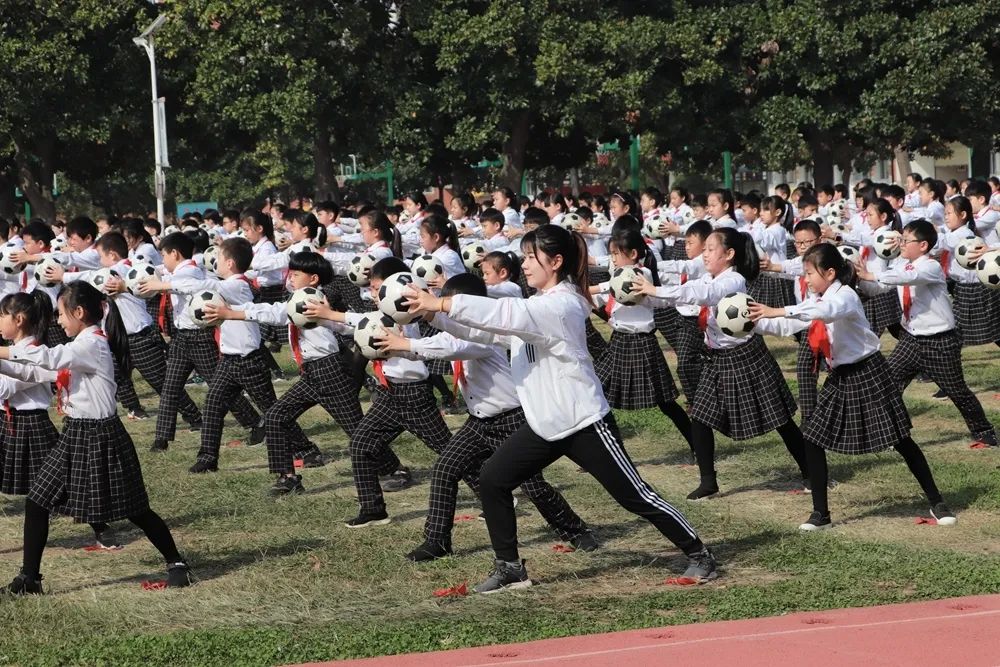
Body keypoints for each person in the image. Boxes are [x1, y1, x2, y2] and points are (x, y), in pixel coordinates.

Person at [404, 224, 717, 594]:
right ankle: (510, 568)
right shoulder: (539, 304)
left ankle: (700, 554)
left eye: (530, 258)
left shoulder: (562, 303)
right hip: (544, 423)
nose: (524, 265)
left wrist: (439, 302)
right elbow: (490, 332)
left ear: (555, 261)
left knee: (634, 496)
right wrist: (431, 316)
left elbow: (504, 314)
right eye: (523, 257)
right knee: (492, 479)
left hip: (582, 421)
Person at [377, 273, 597, 562]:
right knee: (445, 469)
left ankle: (575, 530)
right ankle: (437, 542)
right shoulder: (460, 331)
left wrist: (406, 346)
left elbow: (451, 347)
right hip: (479, 422)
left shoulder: (485, 336)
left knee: (532, 484)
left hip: (511, 419)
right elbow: (447, 339)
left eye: (450, 304)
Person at [0, 282, 191, 594]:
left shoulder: (90, 345)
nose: (58, 321)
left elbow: (47, 358)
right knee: (37, 500)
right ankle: (29, 579)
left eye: (61, 314)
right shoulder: (81, 346)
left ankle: (176, 563)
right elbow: (37, 372)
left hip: (102, 435)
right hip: (75, 433)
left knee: (134, 508)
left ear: (78, 312)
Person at [750, 244, 957, 529]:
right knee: (812, 437)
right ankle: (820, 514)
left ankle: (937, 501)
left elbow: (825, 312)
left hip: (869, 371)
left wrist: (777, 309)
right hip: (841, 376)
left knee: (900, 439)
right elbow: (790, 326)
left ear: (830, 272)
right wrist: (752, 324)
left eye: (810, 273)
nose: (806, 279)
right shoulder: (818, 298)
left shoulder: (843, 296)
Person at [634, 228, 810, 500]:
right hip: (716, 358)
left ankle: (810, 471)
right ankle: (708, 482)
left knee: (780, 419)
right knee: (701, 417)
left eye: (710, 249)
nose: (704, 254)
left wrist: (654, 288)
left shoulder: (733, 280)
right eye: (703, 249)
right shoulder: (709, 277)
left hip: (747, 357)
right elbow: (685, 293)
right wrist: (646, 295)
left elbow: (703, 293)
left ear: (729, 254)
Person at [312, 257, 455, 527]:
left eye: (378, 289)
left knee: (449, 452)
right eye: (373, 289)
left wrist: (331, 315)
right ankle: (373, 509)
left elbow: (364, 319)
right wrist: (328, 316)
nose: (372, 294)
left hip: (415, 396)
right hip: (389, 395)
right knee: (361, 444)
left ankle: (493, 494)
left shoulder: (408, 311)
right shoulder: (380, 315)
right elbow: (358, 320)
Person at [207, 251, 361, 493]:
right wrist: (232, 313)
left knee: (357, 429)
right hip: (312, 372)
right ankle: (287, 478)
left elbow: (275, 313)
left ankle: (393, 469)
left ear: (313, 279)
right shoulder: (300, 297)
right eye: (290, 273)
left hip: (329, 370)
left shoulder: (308, 300)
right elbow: (274, 310)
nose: (290, 278)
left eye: (296, 274)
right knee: (277, 416)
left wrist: (232, 313)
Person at [858, 220, 997, 448]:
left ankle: (984, 431)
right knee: (888, 383)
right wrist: (860, 280)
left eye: (905, 240)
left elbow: (907, 277)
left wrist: (871, 275)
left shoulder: (929, 267)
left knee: (957, 391)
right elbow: (880, 287)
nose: (900, 243)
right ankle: (891, 435)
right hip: (911, 339)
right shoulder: (903, 266)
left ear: (923, 245)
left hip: (939, 342)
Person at [139, 232, 262, 452]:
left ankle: (255, 423)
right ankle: (162, 438)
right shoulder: (176, 272)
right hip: (181, 338)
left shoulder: (192, 271)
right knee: (170, 387)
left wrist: (160, 284)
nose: (162, 261)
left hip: (200, 338)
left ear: (174, 253)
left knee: (221, 388)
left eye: (164, 255)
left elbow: (187, 285)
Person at [590, 229, 694, 455]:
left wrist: (588, 289)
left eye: (617, 254)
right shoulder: (619, 276)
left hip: (642, 343)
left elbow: (611, 288)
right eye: (612, 255)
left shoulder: (640, 274)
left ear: (634, 253)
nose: (614, 260)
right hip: (619, 341)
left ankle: (697, 443)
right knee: (596, 391)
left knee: (664, 401)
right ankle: (608, 450)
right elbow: (605, 298)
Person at [940, 197, 1000, 349]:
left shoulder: (962, 234)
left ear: (963, 215)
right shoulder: (957, 231)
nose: (946, 216)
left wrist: (919, 236)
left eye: (949, 213)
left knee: (992, 329)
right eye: (945, 213)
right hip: (962, 287)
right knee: (957, 330)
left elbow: (939, 243)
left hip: (975, 289)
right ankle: (948, 360)